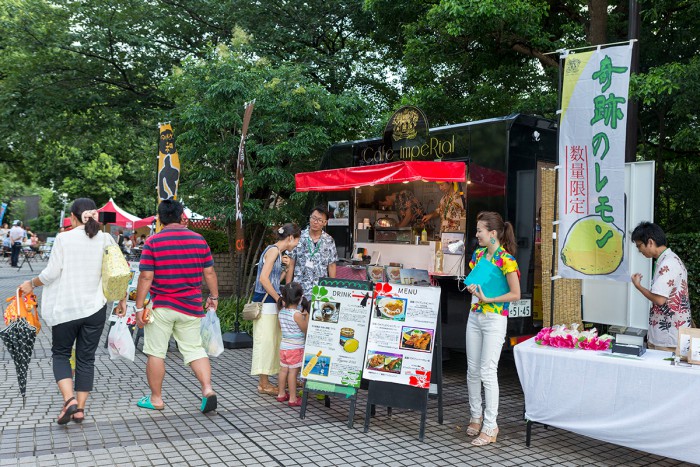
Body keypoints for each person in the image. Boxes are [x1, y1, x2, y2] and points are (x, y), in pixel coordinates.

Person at [18, 198, 127, 424]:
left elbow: (51, 273)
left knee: (61, 354)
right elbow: (118, 270)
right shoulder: (107, 238)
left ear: (73, 216)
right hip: (95, 309)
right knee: (86, 359)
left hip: (66, 309)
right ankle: (80, 410)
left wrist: (32, 283)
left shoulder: (64, 238)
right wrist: (122, 298)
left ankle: (69, 401)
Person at [134, 199, 220, 413]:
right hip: (190, 307)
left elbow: (146, 276)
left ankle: (156, 399)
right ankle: (208, 389)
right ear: (182, 215)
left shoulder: (153, 242)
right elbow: (209, 272)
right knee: (194, 350)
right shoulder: (199, 240)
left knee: (156, 352)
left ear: (160, 219)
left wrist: (137, 308)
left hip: (161, 306)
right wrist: (215, 297)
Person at [464, 211, 520, 446]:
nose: (476, 234)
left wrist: (489, 300)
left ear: (493, 233)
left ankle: (490, 425)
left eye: (480, 231)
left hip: (495, 319)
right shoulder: (478, 255)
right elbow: (474, 281)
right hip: (474, 316)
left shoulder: (506, 259)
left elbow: (515, 294)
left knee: (488, 371)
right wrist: (473, 290)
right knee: (473, 370)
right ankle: (475, 416)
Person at [252, 223, 301, 395]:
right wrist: (278, 298)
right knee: (265, 342)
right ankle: (263, 384)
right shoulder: (273, 251)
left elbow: (274, 278)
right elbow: (264, 279)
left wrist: (286, 267)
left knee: (272, 341)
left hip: (269, 303)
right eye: (296, 240)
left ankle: (267, 381)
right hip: (265, 303)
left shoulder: (278, 253)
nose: (296, 243)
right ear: (289, 238)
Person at [630, 221, 691, 351]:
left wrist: (638, 286)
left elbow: (659, 299)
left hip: (668, 337)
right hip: (669, 333)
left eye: (639, 245)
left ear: (650, 242)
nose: (639, 250)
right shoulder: (669, 259)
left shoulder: (667, 264)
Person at [286, 206, 338, 300]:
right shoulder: (298, 237)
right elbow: (291, 263)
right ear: (310, 218)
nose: (315, 222)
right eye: (313, 218)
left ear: (325, 223)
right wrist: (288, 288)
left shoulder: (329, 240)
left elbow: (332, 265)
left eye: (319, 220)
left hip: (320, 290)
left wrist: (331, 289)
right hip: (299, 288)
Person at [275, 282, 309, 407]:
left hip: (284, 346)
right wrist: (307, 316)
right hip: (295, 348)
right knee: (293, 373)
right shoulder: (297, 315)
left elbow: (280, 327)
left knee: (283, 370)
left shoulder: (282, 312)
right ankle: (293, 398)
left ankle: (281, 394)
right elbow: (305, 329)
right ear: (299, 298)